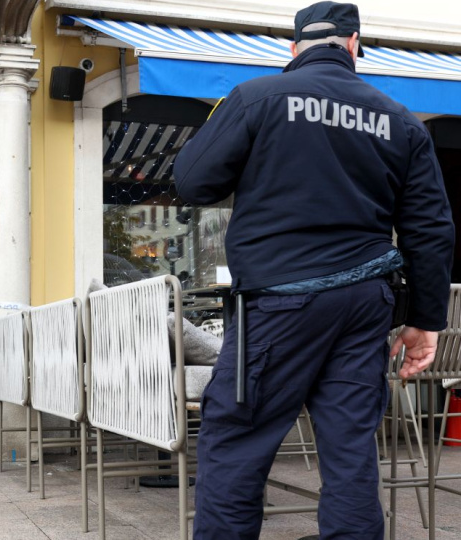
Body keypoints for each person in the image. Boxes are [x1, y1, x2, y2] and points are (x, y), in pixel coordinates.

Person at [173, 2, 455, 538]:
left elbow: (192, 182)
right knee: (351, 452)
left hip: (276, 302)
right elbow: (431, 230)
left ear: (294, 48)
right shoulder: (400, 121)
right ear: (353, 45)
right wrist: (425, 320)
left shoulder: (257, 97)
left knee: (237, 443)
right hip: (363, 307)